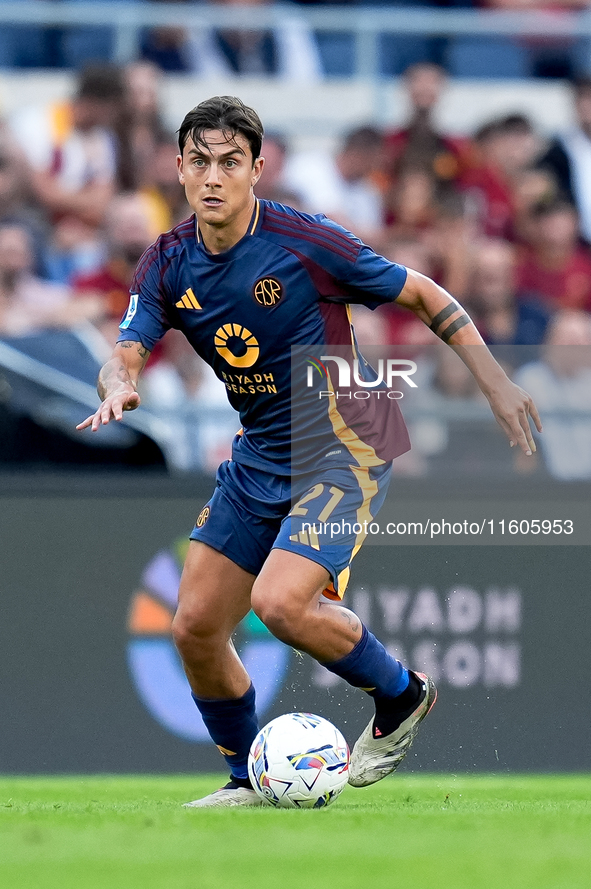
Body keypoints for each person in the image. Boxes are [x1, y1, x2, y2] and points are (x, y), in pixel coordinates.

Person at [77, 96, 541, 808]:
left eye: (230, 162)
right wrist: (119, 384)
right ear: (177, 168)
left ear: (257, 170)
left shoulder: (305, 242)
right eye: (198, 161)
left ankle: (403, 695)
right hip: (262, 450)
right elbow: (125, 352)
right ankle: (244, 780)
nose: (212, 177)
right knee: (195, 627)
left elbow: (422, 293)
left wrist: (496, 380)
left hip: (345, 442)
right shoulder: (168, 261)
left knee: (280, 604)